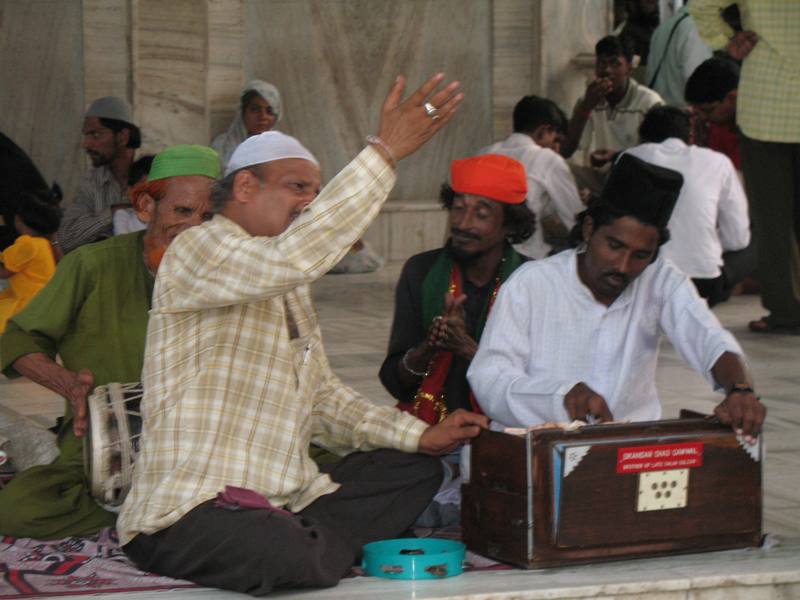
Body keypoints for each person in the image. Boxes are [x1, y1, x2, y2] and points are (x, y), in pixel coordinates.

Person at [118, 74, 487, 595]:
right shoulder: (198, 249)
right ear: (245, 187)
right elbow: (298, 255)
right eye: (297, 188)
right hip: (192, 507)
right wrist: (384, 152)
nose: (309, 205)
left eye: (315, 194)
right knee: (293, 556)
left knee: (414, 470)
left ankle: (305, 540)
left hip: (282, 500)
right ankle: (309, 547)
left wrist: (420, 435)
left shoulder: (286, 283)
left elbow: (322, 400)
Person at [0, 145, 220, 539]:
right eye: (182, 211)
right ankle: (167, 513)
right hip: (101, 445)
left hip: (203, 443)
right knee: (19, 510)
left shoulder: (229, 274)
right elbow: (17, 338)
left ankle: (161, 511)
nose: (195, 228)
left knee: (319, 467)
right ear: (146, 208)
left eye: (208, 217)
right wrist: (67, 385)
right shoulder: (91, 265)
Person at [467, 154, 765, 442]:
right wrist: (561, 397)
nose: (623, 266)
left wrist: (739, 390)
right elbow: (489, 377)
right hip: (535, 451)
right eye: (614, 245)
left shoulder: (660, 278)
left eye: (640, 255)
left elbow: (707, 336)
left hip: (629, 452)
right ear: (589, 229)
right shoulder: (531, 283)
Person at [380, 154, 534, 424]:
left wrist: (467, 348)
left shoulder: (529, 282)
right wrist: (429, 346)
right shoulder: (421, 272)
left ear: (510, 224)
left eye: (481, 214)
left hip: (503, 433)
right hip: (429, 430)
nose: (463, 224)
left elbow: (533, 390)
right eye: (459, 208)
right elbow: (396, 384)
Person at [691, 1, 800, 335]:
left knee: (774, 220)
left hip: (769, 104)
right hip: (768, 107)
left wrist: (727, 38)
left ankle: (786, 311)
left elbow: (702, 4)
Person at [626, 106, 752, 306]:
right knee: (758, 239)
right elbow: (737, 239)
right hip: (703, 283)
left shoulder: (630, 157)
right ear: (690, 135)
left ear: (644, 135)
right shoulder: (718, 162)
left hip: (640, 279)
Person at [481, 96, 583, 259]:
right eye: (555, 140)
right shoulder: (548, 159)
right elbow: (577, 221)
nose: (557, 148)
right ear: (543, 131)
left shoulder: (485, 153)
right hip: (522, 259)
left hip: (481, 253)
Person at [561, 36, 663, 195]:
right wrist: (586, 106)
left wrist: (616, 157)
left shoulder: (649, 103)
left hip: (638, 180)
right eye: (602, 63)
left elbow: (657, 156)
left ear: (629, 68)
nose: (607, 70)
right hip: (606, 178)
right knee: (559, 170)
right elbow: (567, 150)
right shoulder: (589, 99)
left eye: (615, 64)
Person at [56, 97, 141, 253]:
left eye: (95, 134)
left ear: (123, 137)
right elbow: (66, 238)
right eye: (86, 135)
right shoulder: (91, 183)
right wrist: (113, 214)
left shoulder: (153, 172)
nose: (86, 144)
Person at [0, 191, 62, 331]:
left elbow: (4, 272)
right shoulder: (43, 243)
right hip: (42, 302)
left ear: (20, 220)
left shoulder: (27, 244)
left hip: (27, 303)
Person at [645, 2, 712, 108]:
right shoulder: (696, 29)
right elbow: (697, 86)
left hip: (658, 114)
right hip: (681, 118)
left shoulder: (664, 27)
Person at [685, 57, 742, 170]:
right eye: (697, 110)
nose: (702, 117)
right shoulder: (714, 124)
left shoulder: (753, 134)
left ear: (732, 97)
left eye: (708, 111)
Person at [211, 79, 282, 170]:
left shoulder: (283, 150)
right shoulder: (222, 146)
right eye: (255, 109)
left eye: (269, 111)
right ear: (243, 113)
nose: (263, 116)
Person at [113, 154, 155, 235]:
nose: (149, 197)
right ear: (131, 192)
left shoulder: (166, 217)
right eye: (143, 191)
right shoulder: (123, 216)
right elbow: (124, 244)